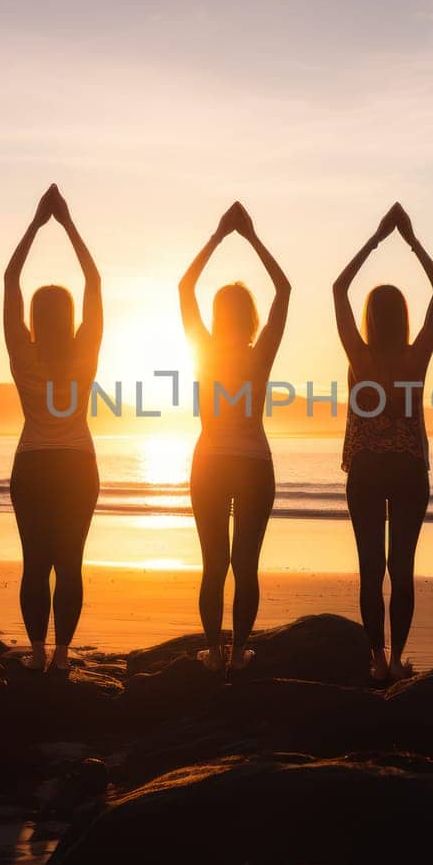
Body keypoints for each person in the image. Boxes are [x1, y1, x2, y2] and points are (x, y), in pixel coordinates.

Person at [333, 203, 433, 682]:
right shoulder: (415, 357)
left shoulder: (359, 355)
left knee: (369, 569)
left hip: (365, 469)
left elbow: (339, 288)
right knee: (401, 569)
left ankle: (376, 660)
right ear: (401, 318)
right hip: (406, 469)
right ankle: (398, 660)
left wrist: (377, 239)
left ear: (369, 319)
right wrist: (412, 241)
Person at [179, 202, 291, 672]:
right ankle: (240, 651)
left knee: (214, 564)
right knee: (245, 564)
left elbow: (185, 287)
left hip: (210, 462)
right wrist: (251, 237)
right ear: (249, 318)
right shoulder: (260, 353)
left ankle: (215, 653)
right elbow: (283, 289)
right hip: (252, 463)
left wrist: (219, 235)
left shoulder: (203, 348)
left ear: (217, 315)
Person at [4, 184, 102, 673]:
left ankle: (39, 653)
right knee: (69, 564)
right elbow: (95, 283)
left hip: (33, 464)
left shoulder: (24, 354)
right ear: (69, 319)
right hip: (78, 465)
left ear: (35, 320)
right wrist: (67, 225)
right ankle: (62, 655)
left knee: (35, 563)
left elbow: (9, 280)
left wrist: (36, 225)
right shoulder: (84, 353)